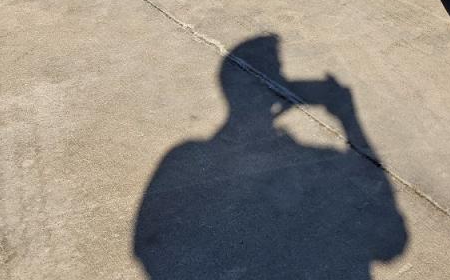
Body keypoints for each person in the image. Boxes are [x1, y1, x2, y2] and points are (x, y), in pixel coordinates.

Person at [134, 34, 406, 279]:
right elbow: (392, 241)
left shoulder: (184, 158)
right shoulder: (319, 161)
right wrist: (348, 116)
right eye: (277, 73)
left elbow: (149, 249)